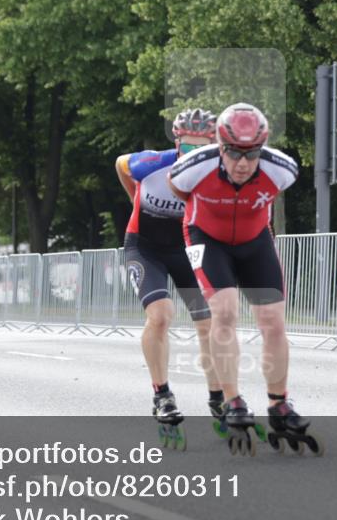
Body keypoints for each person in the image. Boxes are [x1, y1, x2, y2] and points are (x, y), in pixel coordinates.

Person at [168, 102, 316, 453]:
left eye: (252, 154)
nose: (243, 163)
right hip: (205, 237)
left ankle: (279, 403)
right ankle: (233, 400)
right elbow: (179, 192)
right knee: (225, 311)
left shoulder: (283, 169)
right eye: (234, 153)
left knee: (273, 321)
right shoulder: (192, 168)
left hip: (254, 240)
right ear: (220, 147)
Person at [115, 108, 222, 434]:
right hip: (145, 246)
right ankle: (162, 395)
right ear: (177, 143)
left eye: (202, 148)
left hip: (188, 250)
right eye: (188, 148)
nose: (194, 154)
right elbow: (121, 163)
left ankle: (219, 398)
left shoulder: (218, 170)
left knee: (209, 322)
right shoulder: (154, 163)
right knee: (161, 315)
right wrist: (136, 196)